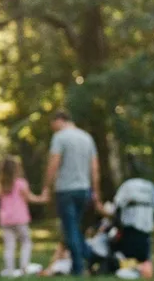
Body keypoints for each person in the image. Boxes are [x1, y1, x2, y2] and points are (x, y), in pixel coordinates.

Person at [41, 109, 100, 276]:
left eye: (53, 125)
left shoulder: (60, 137)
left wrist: (46, 187)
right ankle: (92, 258)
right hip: (84, 190)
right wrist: (96, 192)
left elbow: (53, 164)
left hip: (66, 190)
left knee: (70, 229)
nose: (53, 128)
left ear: (59, 120)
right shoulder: (86, 138)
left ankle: (79, 266)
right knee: (75, 228)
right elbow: (95, 168)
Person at [0, 155, 47, 277]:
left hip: (6, 219)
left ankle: (9, 271)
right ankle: (24, 267)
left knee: (9, 245)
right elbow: (30, 198)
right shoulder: (20, 183)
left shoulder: (1, 185)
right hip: (20, 219)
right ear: (16, 169)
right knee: (26, 242)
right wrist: (42, 198)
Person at [112, 177, 154, 279]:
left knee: (128, 256)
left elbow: (118, 203)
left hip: (131, 227)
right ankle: (142, 268)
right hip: (146, 227)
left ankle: (135, 268)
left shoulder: (127, 186)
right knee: (142, 256)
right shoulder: (149, 187)